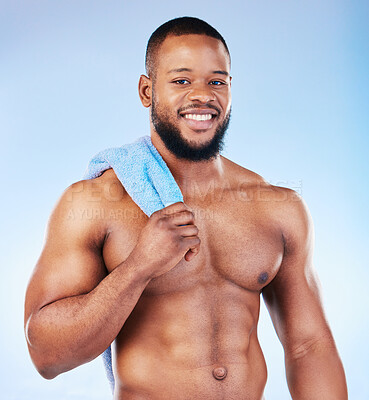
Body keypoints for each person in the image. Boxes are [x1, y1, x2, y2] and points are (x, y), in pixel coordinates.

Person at [24, 17, 348, 399]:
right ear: (147, 91)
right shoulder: (95, 202)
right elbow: (45, 355)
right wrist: (139, 267)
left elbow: (309, 346)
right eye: (181, 81)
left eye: (217, 81)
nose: (202, 95)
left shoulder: (277, 207)